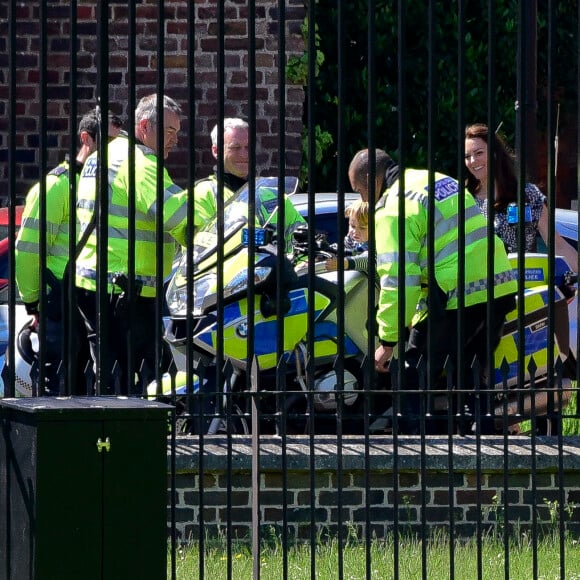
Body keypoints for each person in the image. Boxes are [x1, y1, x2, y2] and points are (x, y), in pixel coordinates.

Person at [348, 148, 518, 434]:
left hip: (456, 294)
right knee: (471, 372)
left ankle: (420, 450)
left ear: (370, 181)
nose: (362, 199)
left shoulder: (391, 208)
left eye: (359, 191)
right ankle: (484, 444)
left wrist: (388, 341)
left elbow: (399, 281)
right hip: (497, 287)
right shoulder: (436, 179)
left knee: (410, 373)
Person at [75, 94, 189, 395]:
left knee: (108, 376)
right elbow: (179, 217)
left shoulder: (105, 155)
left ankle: (107, 437)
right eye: (169, 131)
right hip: (127, 290)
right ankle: (131, 438)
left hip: (93, 284)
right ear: (144, 126)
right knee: (138, 380)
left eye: (177, 132)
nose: (175, 141)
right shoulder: (140, 162)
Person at [14, 109, 123, 395]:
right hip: (60, 302)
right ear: (85, 139)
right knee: (59, 390)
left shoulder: (113, 188)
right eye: (109, 143)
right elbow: (26, 251)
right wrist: (34, 304)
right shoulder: (58, 186)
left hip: (96, 302)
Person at [465, 123, 578, 269]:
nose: (473, 161)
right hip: (479, 286)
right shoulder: (464, 199)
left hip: (522, 284)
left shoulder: (527, 195)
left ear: (495, 153)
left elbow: (557, 245)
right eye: (467, 156)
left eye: (479, 153)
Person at [193, 118, 249, 231]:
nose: (244, 154)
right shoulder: (204, 192)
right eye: (235, 148)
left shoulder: (267, 192)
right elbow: (200, 242)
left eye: (248, 147)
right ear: (216, 151)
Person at [324, 199, 370, 273]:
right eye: (352, 226)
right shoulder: (351, 239)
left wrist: (346, 263)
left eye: (362, 228)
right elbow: (339, 248)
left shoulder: (378, 242)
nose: (355, 232)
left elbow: (371, 259)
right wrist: (323, 253)